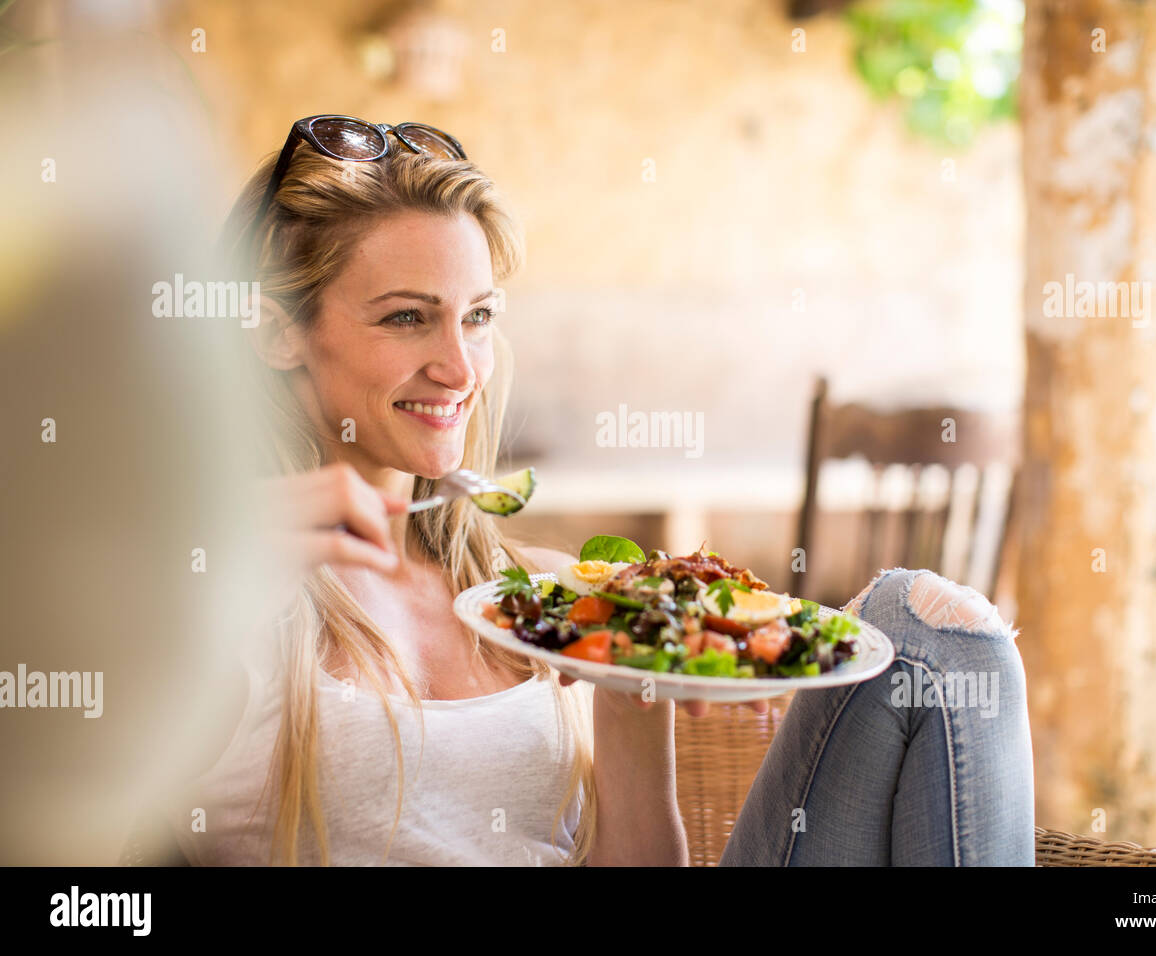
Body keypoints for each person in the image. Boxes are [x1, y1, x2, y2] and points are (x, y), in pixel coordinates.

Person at [169, 116, 1034, 867]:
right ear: (279, 333)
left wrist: (635, 683)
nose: (459, 367)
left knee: (935, 634)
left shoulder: (537, 601)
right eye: (406, 316)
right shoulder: (216, 597)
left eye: (477, 316)